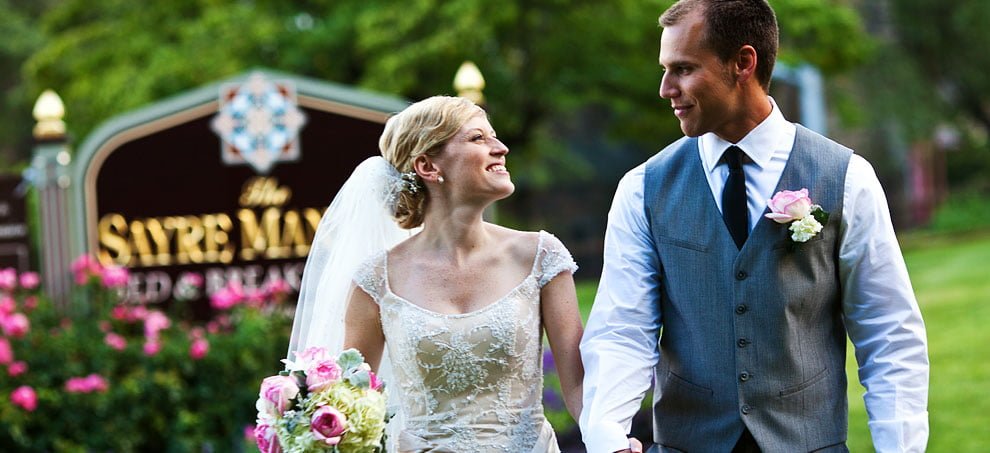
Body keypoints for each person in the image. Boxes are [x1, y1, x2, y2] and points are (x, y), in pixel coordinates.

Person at [578, 1, 929, 452]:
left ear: (743, 63)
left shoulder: (846, 177)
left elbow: (887, 330)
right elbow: (623, 327)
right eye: (666, 70)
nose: (666, 88)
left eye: (683, 69)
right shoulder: (643, 188)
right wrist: (606, 434)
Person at [288, 95, 585, 452]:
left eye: (494, 136)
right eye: (479, 138)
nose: (501, 148)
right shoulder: (376, 281)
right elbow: (349, 405)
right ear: (428, 167)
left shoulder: (541, 257)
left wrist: (612, 440)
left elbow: (579, 386)